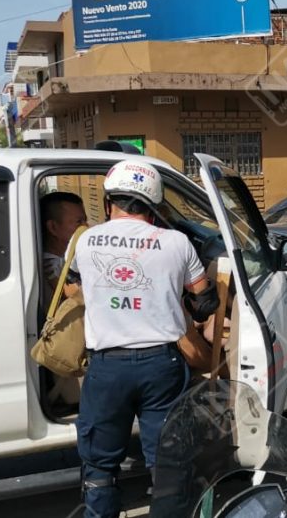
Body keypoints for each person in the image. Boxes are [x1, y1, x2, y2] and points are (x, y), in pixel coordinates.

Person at [72, 160, 218, 518]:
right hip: (162, 366)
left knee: (99, 467)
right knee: (167, 462)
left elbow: (73, 289)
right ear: (154, 206)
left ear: (109, 203)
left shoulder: (86, 239)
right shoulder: (177, 242)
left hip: (107, 367)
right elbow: (204, 302)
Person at [39, 191, 88, 310]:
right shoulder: (51, 267)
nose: (86, 227)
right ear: (53, 227)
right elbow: (80, 296)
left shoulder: (66, 259)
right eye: (79, 222)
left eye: (85, 221)